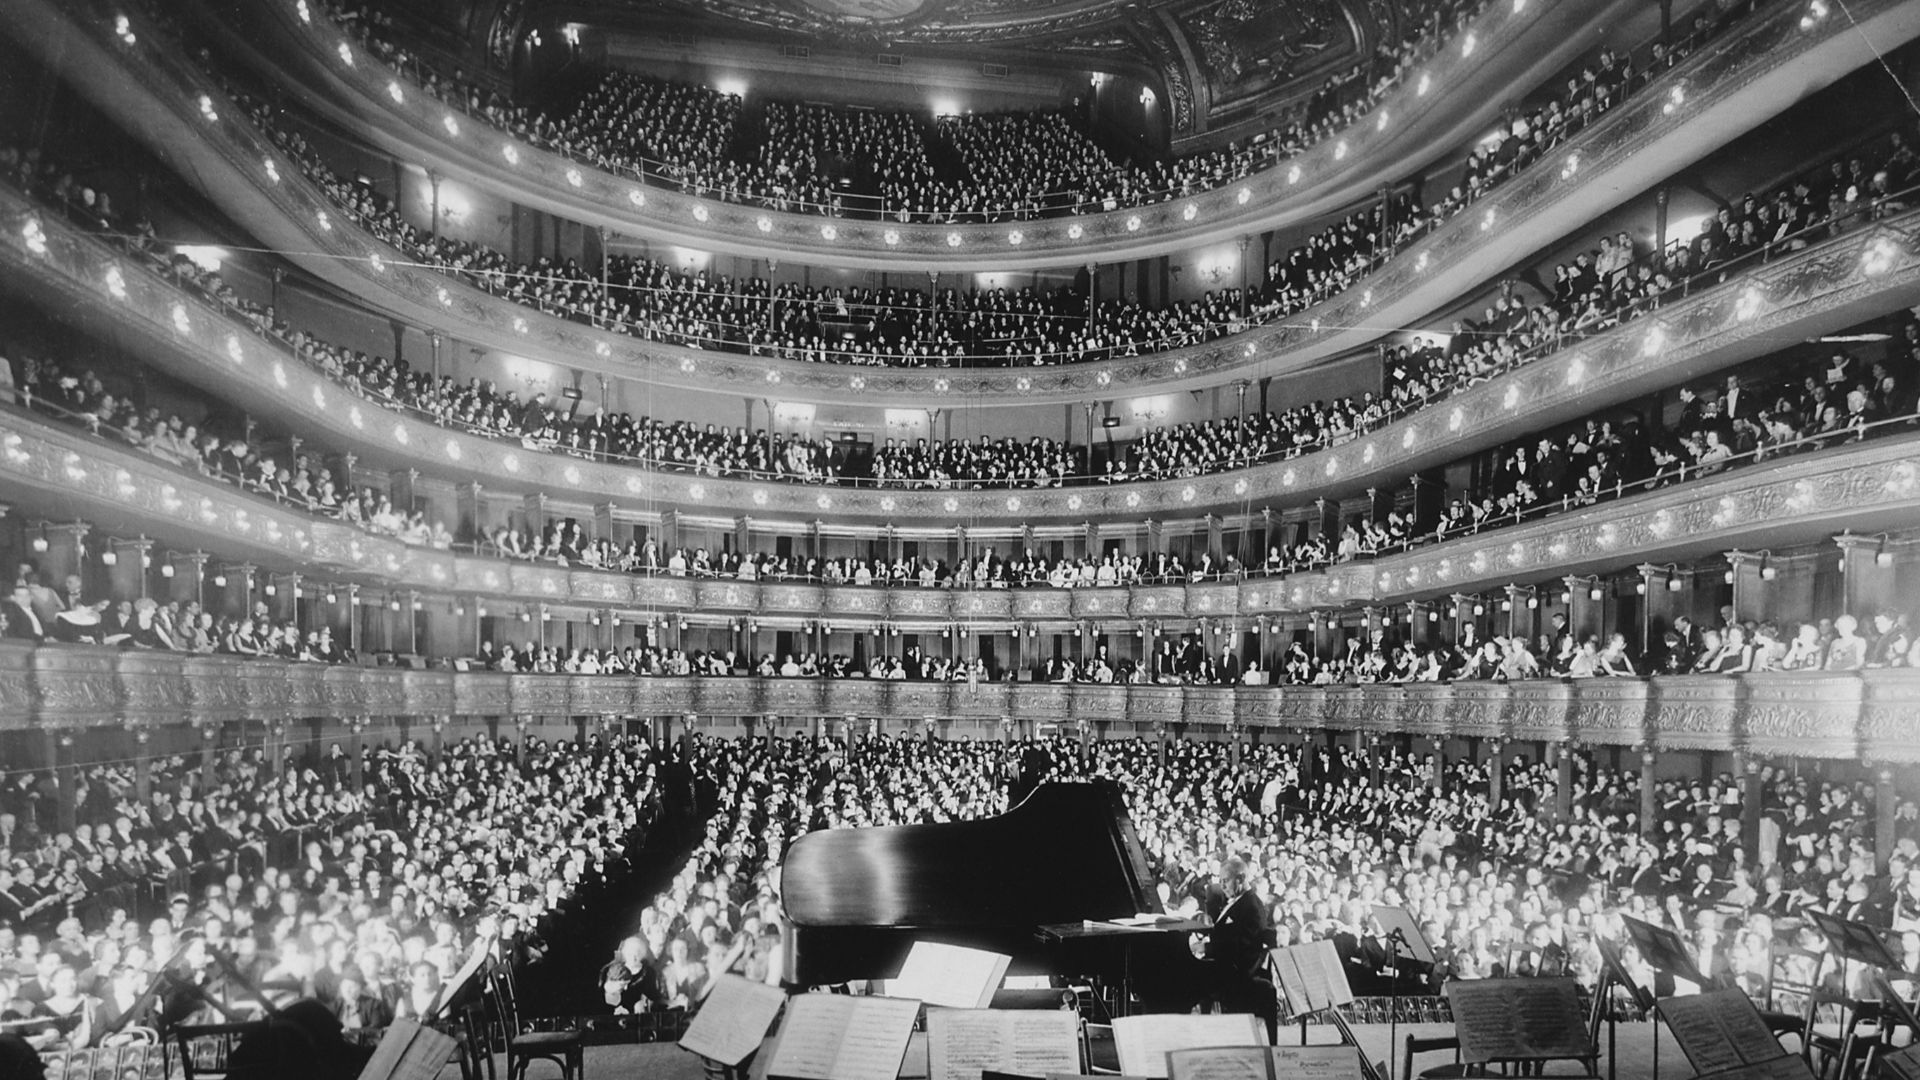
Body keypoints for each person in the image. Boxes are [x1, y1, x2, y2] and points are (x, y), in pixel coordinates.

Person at [1198, 855, 1278, 1041]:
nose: (1222, 886)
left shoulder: (1251, 905)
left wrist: (1207, 948)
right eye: (1220, 881)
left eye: (1226, 881)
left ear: (1240, 879)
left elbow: (1241, 944)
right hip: (1229, 964)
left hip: (1240, 972)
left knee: (1195, 980)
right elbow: (1228, 934)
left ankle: (1206, 1037)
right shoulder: (1238, 901)